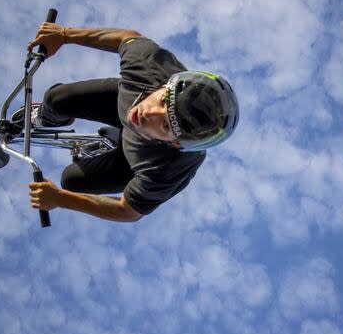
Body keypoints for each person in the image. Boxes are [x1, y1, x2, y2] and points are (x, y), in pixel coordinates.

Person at [23, 24, 239, 222]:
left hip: (131, 161)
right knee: (55, 100)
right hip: (123, 102)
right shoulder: (149, 67)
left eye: (165, 125)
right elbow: (127, 38)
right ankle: (42, 118)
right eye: (164, 100)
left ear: (174, 144)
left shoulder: (166, 168)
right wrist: (63, 34)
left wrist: (60, 199)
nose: (148, 113)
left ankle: (120, 142)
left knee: (71, 181)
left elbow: (127, 211)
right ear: (165, 85)